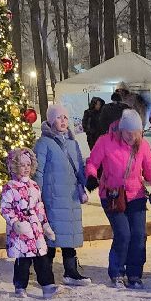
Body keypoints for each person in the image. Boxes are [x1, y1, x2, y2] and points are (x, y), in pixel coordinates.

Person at [85, 105, 151, 288]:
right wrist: (90, 176)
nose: (131, 136)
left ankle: (135, 273)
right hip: (112, 194)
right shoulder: (105, 141)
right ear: (121, 129)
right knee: (123, 233)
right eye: (128, 132)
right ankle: (117, 271)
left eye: (135, 132)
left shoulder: (142, 145)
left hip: (135, 194)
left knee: (139, 234)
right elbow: (92, 163)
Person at [33, 105, 90, 286]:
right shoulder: (44, 143)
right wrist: (38, 197)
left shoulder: (73, 143)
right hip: (52, 198)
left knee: (69, 236)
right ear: (51, 121)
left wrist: (85, 185)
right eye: (59, 117)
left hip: (70, 197)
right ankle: (45, 274)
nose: (63, 121)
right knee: (50, 236)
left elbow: (80, 168)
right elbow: (38, 172)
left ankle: (71, 271)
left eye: (66, 117)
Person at [1, 147, 56, 298]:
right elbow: (5, 208)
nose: (26, 168)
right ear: (14, 166)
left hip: (35, 228)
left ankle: (48, 285)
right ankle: (20, 285)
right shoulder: (10, 187)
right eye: (22, 165)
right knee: (23, 259)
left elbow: (39, 207)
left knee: (41, 256)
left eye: (28, 164)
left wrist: (45, 225)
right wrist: (15, 223)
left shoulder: (34, 186)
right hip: (21, 229)